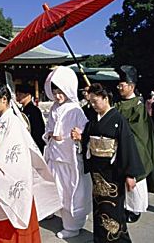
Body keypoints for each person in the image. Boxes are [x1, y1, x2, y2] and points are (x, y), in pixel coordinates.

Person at [0, 84, 61, 243]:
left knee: (9, 211)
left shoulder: (13, 122)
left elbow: (13, 152)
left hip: (6, 174)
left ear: (4, 99)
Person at [72, 83, 145, 242]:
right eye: (90, 102)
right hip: (97, 171)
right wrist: (82, 138)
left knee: (114, 209)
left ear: (106, 99)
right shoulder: (93, 118)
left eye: (95, 101)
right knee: (99, 208)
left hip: (113, 172)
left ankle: (120, 239)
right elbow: (89, 138)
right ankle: (100, 239)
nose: (92, 105)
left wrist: (130, 174)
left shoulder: (118, 119)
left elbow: (127, 146)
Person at [43, 66, 92, 239]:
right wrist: (50, 135)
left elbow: (85, 132)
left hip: (70, 158)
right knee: (55, 189)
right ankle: (50, 210)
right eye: (55, 91)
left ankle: (72, 226)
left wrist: (73, 136)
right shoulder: (54, 109)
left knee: (72, 192)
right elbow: (47, 130)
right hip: (55, 157)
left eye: (61, 92)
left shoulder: (75, 109)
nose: (57, 96)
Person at [114, 65, 154, 224]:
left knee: (135, 181)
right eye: (119, 85)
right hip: (121, 146)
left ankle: (136, 208)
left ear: (131, 86)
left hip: (136, 147)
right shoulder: (118, 104)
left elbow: (138, 129)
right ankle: (125, 206)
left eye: (122, 85)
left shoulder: (138, 105)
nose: (119, 87)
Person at [15, 83, 46, 153]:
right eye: (17, 95)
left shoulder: (34, 111)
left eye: (20, 94)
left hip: (34, 145)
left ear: (28, 95)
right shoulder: (24, 110)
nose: (18, 98)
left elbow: (38, 132)